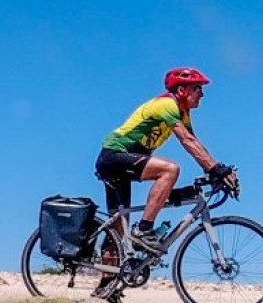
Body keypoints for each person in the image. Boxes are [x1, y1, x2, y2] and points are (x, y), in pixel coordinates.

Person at [95, 67, 239, 258]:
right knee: (170, 170)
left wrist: (215, 170)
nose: (202, 94)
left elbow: (195, 143)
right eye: (198, 88)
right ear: (181, 90)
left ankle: (107, 285)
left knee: (118, 228)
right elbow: (187, 141)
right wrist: (215, 169)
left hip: (124, 162)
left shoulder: (183, 113)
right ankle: (144, 230)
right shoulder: (166, 104)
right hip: (114, 156)